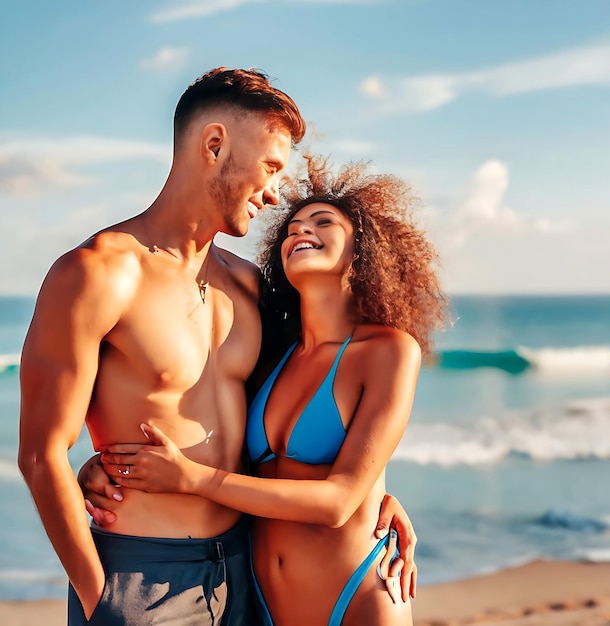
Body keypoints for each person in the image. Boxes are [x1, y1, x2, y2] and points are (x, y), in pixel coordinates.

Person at [19, 68, 415, 626]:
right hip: (142, 577)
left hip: (245, 572)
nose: (275, 192)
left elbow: (301, 410)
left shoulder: (249, 284)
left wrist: (377, 496)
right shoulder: (97, 274)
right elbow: (40, 455)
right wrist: (99, 597)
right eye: (271, 166)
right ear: (214, 144)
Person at [95, 156, 446, 625]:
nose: (300, 230)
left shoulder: (388, 351)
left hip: (357, 596)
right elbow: (217, 441)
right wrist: (102, 464)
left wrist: (191, 479)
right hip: (258, 600)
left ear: (362, 251)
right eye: (292, 227)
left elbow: (340, 501)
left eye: (323, 222)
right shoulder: (270, 354)